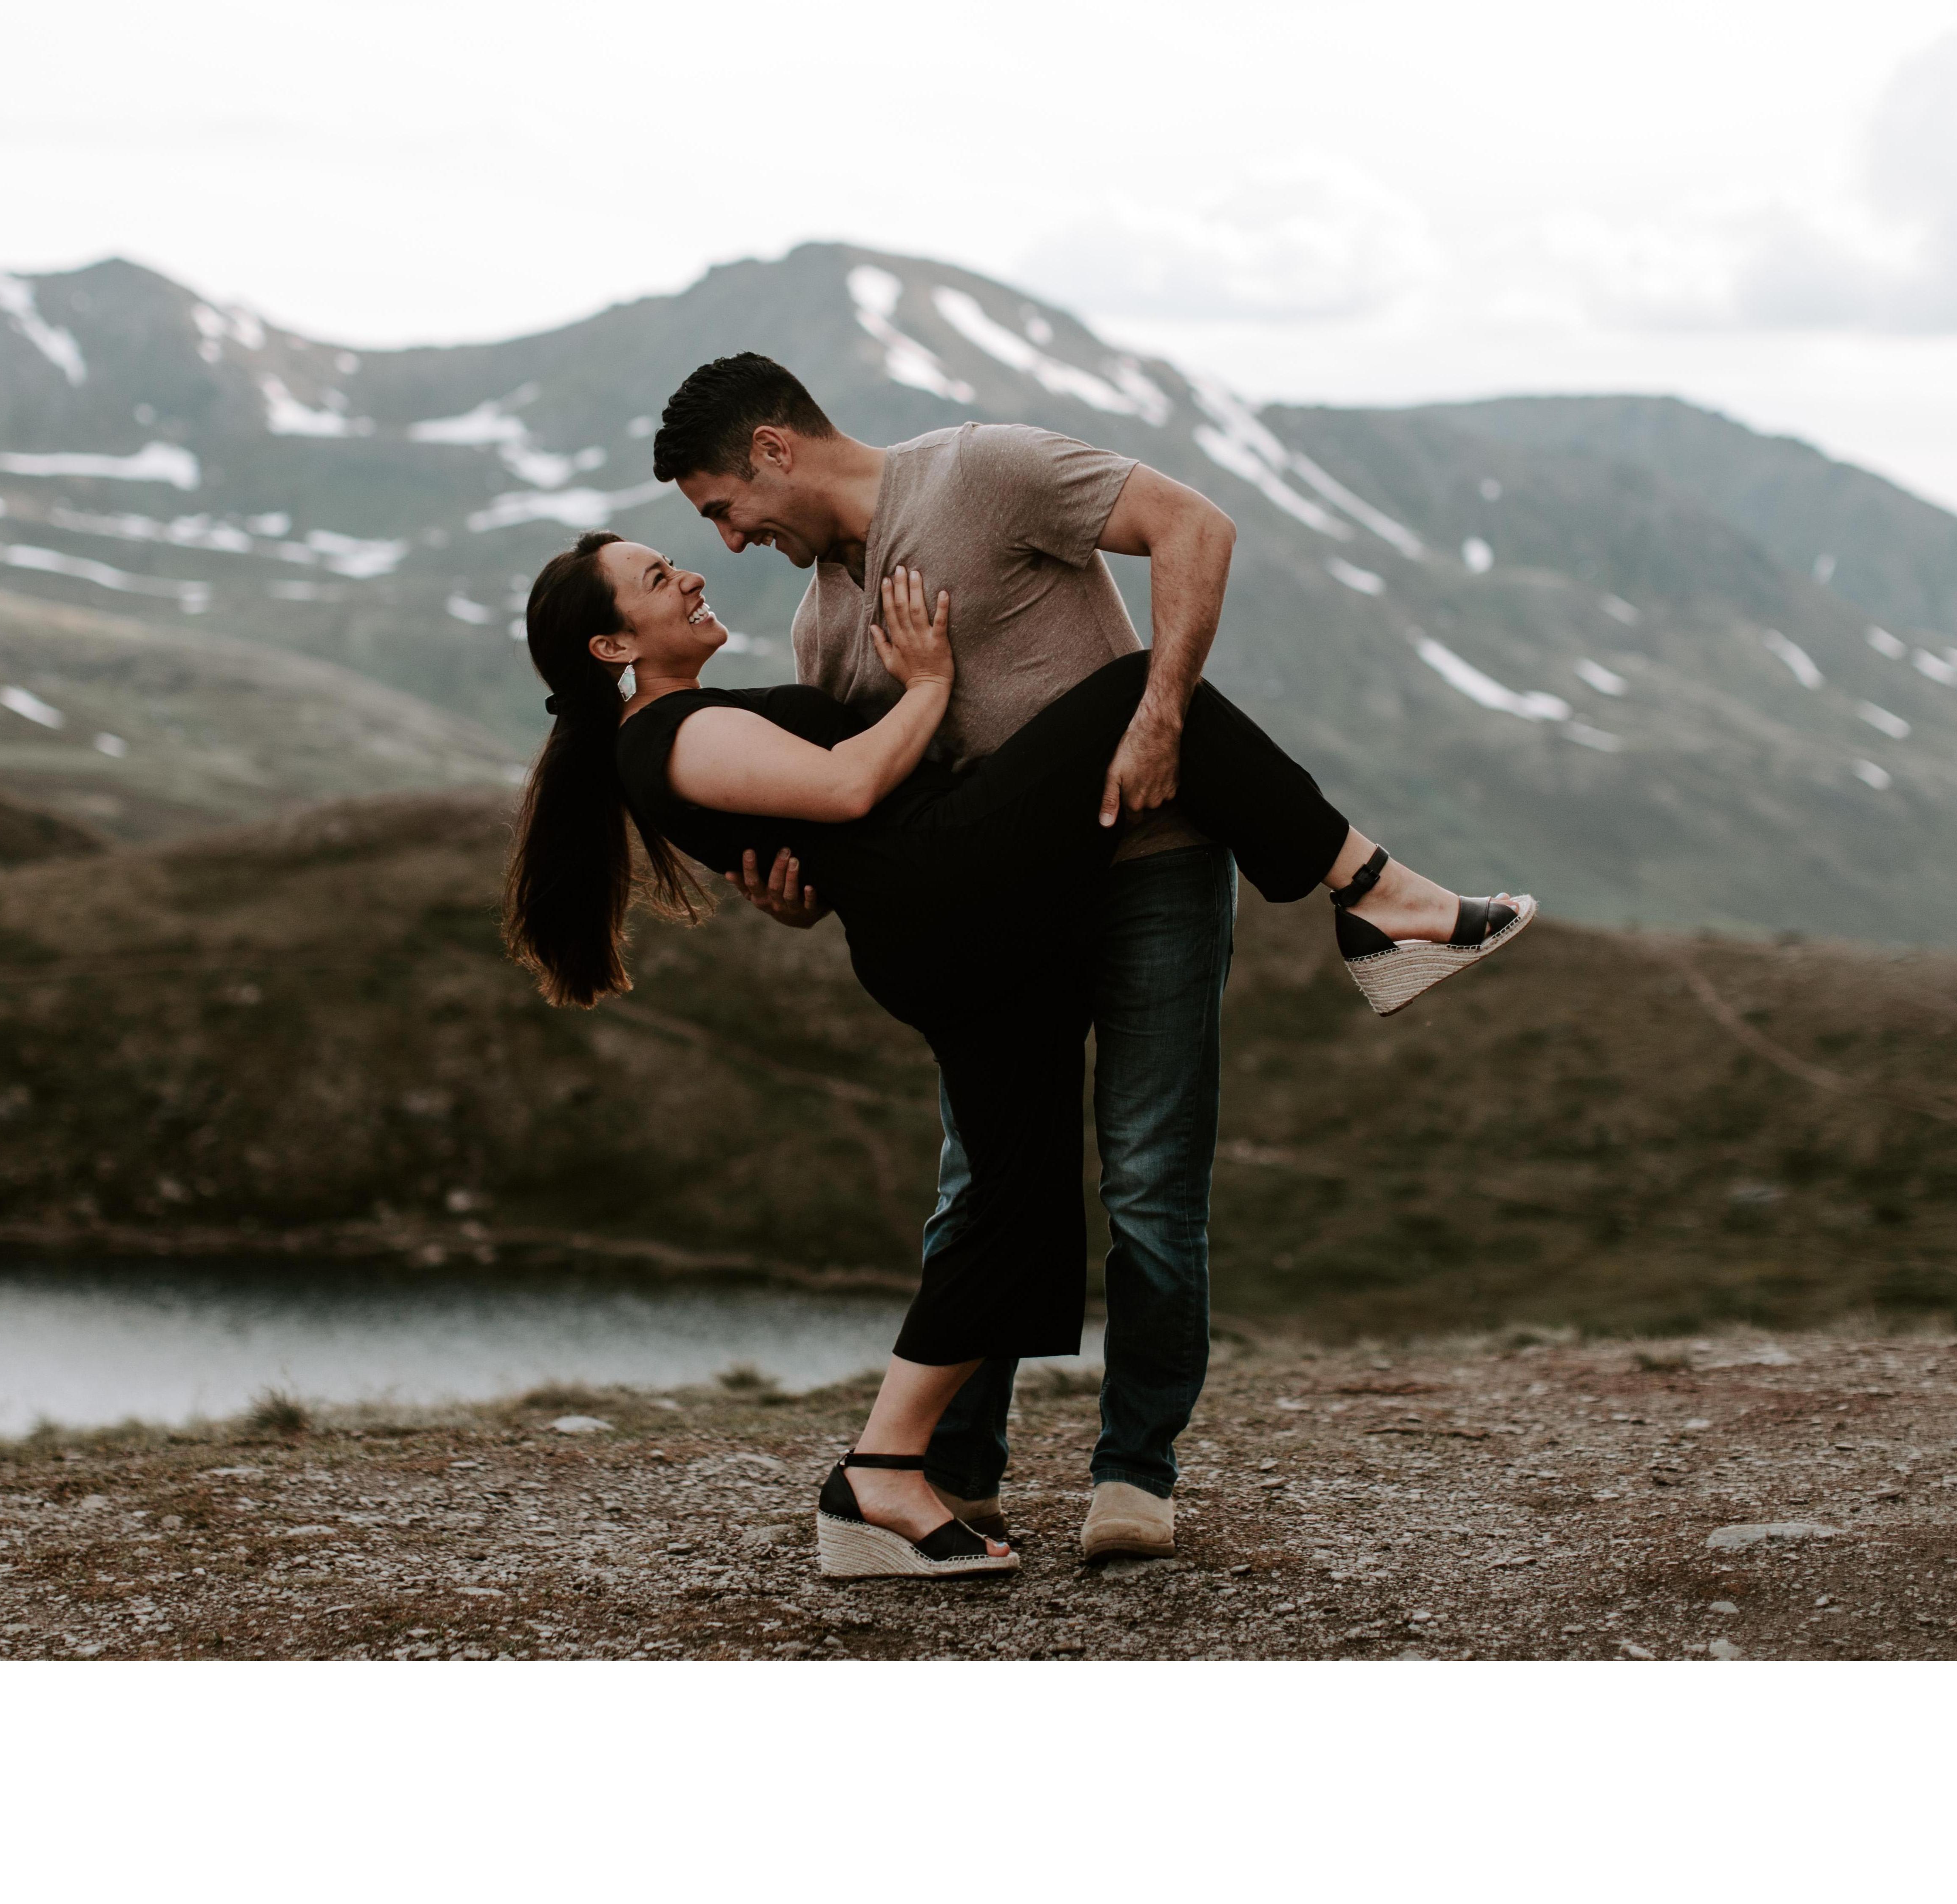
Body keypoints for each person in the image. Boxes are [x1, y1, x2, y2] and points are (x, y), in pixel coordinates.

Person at [502, 530, 1533, 1579]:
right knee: (1146, 690)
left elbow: (813, 826)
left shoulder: (676, 726)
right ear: (609, 644)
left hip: (954, 918)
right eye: (657, 579)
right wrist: (932, 680)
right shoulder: (668, 733)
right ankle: (1379, 897)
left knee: (1018, 1206)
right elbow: (853, 786)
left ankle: (888, 1472)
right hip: (944, 890)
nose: (691, 575)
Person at [654, 352, 1244, 1564]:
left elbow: (1192, 523)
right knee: (981, 1179)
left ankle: (1132, 1473)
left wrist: (1160, 712)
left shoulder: (983, 469)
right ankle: (953, 1466)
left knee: (1143, 1175)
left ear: (774, 448)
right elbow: (881, 815)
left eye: (723, 505)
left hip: (1151, 866)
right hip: (1001, 920)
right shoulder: (822, 623)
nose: (730, 536)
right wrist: (800, 897)